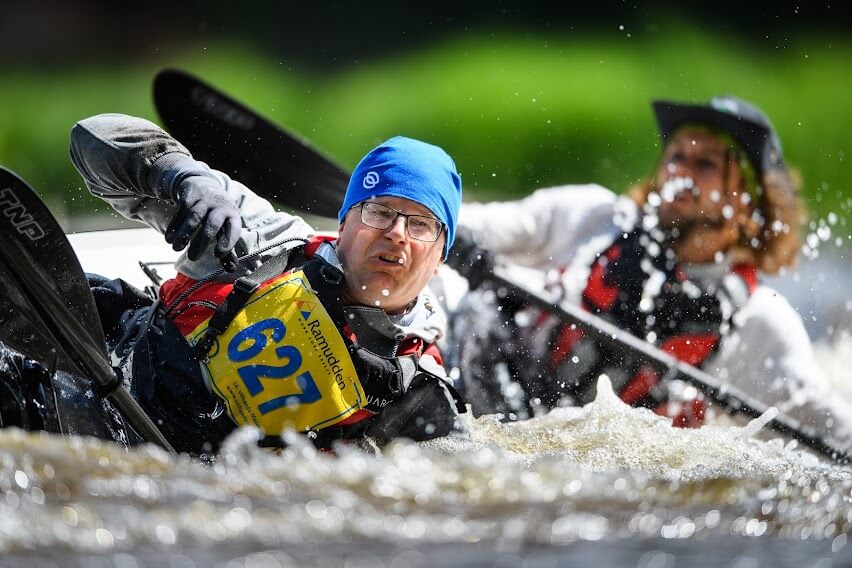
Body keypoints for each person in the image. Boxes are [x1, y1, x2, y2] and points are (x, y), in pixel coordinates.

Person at [447, 95, 852, 444]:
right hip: (495, 387)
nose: (681, 172)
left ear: (747, 200)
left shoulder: (760, 323)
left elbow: (830, 425)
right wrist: (455, 238)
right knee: (478, 309)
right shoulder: (589, 216)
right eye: (676, 156)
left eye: (705, 163)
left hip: (599, 467)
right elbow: (454, 224)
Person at [67, 114, 465, 453]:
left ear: (439, 260)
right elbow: (90, 137)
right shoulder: (260, 238)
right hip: (90, 381)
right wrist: (180, 174)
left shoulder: (419, 390)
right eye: (379, 212)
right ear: (344, 224)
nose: (396, 234)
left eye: (421, 224)